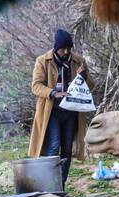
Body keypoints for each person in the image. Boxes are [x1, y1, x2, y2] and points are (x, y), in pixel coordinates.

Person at [28, 28, 88, 187]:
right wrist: (54, 93)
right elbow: (36, 86)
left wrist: (83, 76)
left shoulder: (78, 61)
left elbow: (90, 87)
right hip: (52, 111)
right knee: (53, 146)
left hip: (72, 111)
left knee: (67, 149)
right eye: (63, 48)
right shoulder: (42, 61)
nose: (66, 52)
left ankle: (60, 185)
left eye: (69, 48)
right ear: (56, 48)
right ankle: (48, 185)